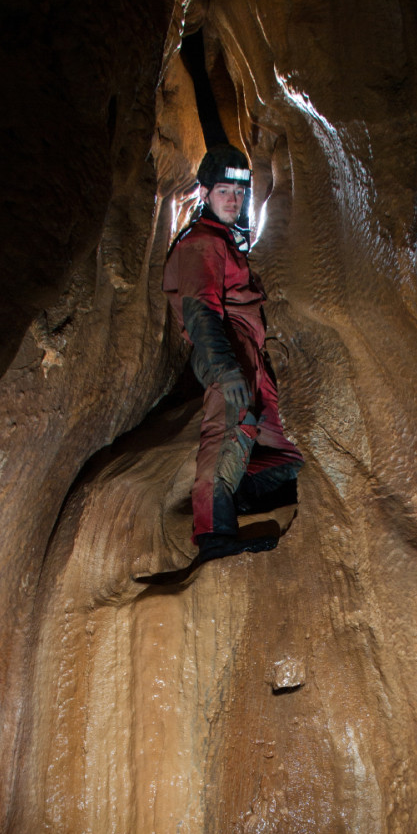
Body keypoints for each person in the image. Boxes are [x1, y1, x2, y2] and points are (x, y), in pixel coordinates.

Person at [162, 144, 304, 567]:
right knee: (228, 428)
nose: (233, 200)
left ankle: (234, 497)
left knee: (287, 452)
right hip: (225, 349)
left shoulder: (226, 242)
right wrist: (225, 369)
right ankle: (214, 533)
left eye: (239, 193)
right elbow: (200, 310)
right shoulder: (202, 243)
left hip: (248, 354)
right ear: (204, 192)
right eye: (224, 190)